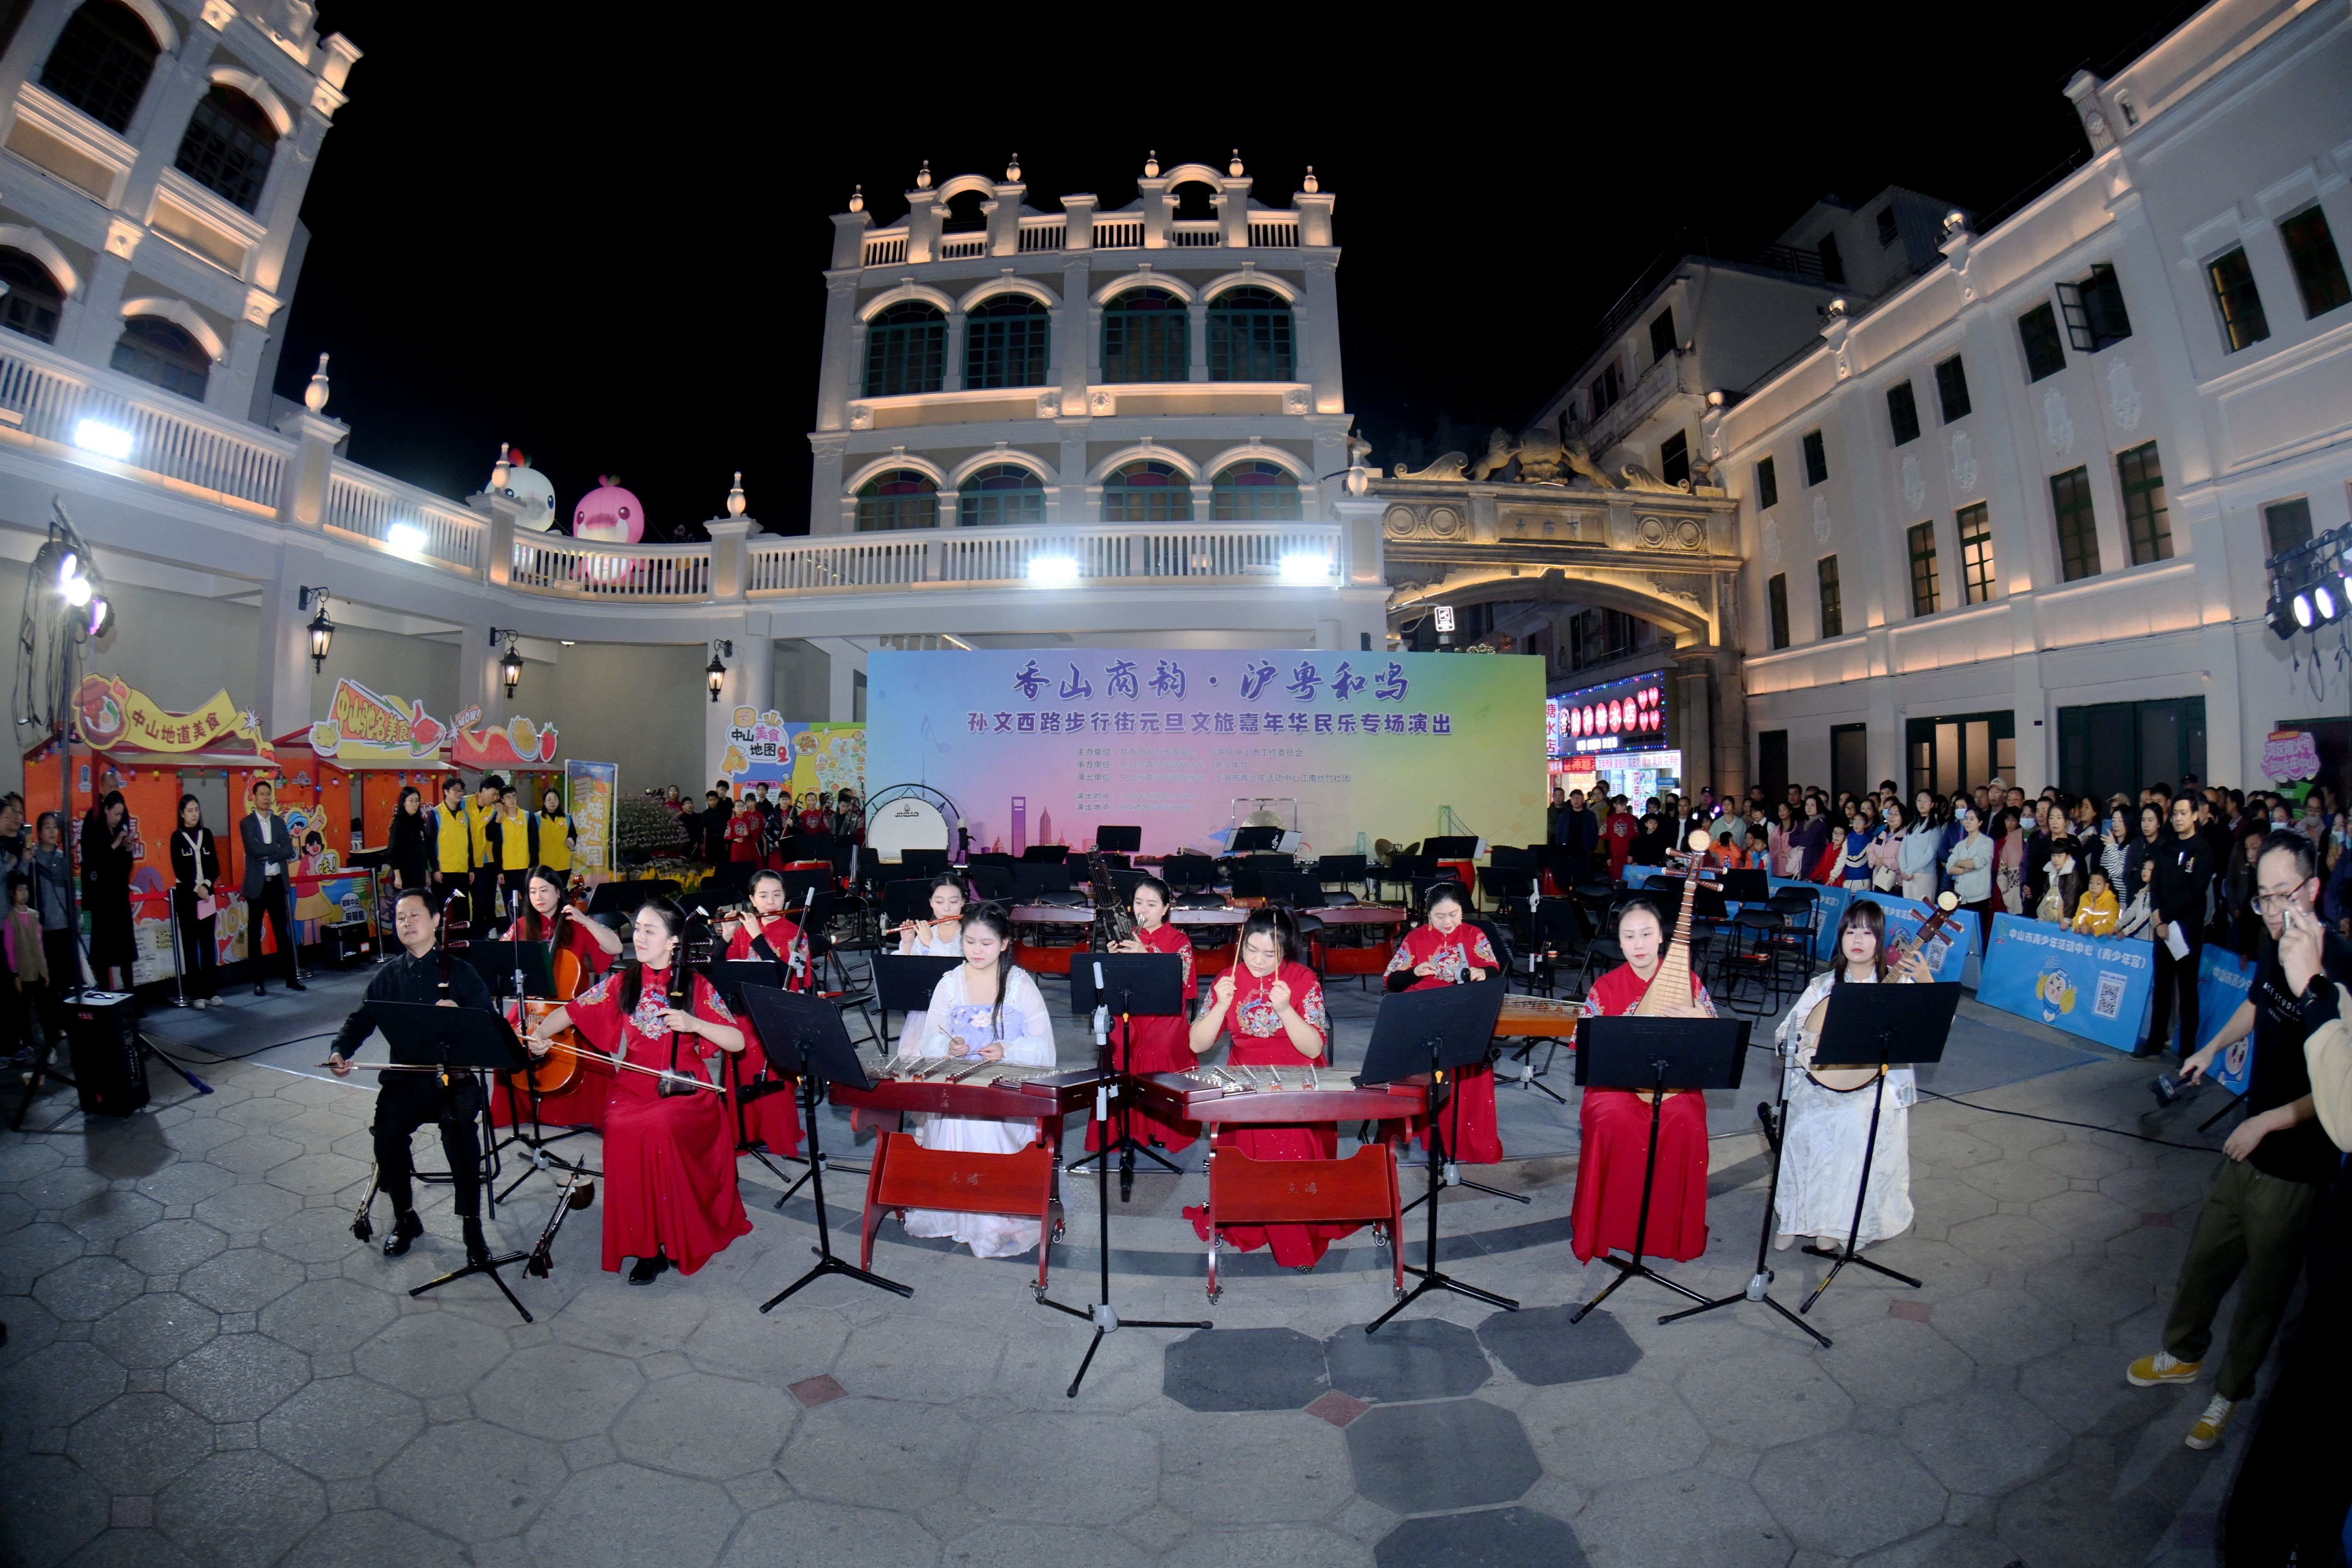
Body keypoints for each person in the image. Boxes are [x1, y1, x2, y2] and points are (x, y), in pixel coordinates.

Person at [2127, 832, 2345, 1451]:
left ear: (2314, 888)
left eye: (2285, 895)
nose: (2274, 911)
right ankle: (2183, 1354)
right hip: (2247, 1147)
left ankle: (2230, 1391)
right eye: (2264, 897)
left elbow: (2343, 1092)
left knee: (2263, 1295)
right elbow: (2258, 1003)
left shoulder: (2339, 966)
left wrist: (2267, 1122)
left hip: (2296, 1166)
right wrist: (2210, 1048)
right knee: (2206, 1262)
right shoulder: (2280, 943)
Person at [526, 900, 751, 1283]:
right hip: (632, 1086)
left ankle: (677, 1234)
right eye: (638, 929)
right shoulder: (625, 980)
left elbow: (736, 1041)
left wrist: (695, 1024)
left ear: (674, 941)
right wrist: (540, 1035)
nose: (640, 938)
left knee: (660, 1127)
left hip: (685, 1086)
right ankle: (648, 1248)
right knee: (621, 1128)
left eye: (650, 931)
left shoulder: (695, 984)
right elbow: (575, 1010)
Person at [327, 889, 499, 1265]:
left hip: (455, 1077)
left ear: (436, 921)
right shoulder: (388, 976)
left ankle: (472, 1227)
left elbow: (490, 1023)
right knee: (386, 1134)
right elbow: (361, 1019)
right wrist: (341, 1051)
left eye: (415, 915)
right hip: (405, 1080)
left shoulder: (461, 971)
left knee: (460, 1133)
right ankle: (406, 1218)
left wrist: (460, 1015)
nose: (406, 922)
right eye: (400, 917)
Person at [1182, 909, 1339, 1270]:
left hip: (1296, 1077)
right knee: (1250, 1152)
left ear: (1286, 951)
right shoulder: (1228, 978)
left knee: (1290, 1150)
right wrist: (1221, 1005)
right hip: (1246, 1076)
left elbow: (1314, 1048)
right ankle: (1251, 1219)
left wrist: (1285, 1010)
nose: (1258, 960)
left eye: (1270, 954)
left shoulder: (1303, 979)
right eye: (1251, 950)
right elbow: (1197, 1044)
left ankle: (1297, 1238)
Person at [899, 905, 1059, 1259]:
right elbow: (930, 1039)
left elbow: (1043, 1047)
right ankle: (956, 1210)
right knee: (959, 1124)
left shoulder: (1019, 984)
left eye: (986, 943)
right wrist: (949, 1046)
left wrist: (1006, 1049)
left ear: (1004, 944)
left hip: (1006, 1085)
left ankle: (994, 1214)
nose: (977, 950)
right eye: (969, 942)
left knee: (989, 1131)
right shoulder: (950, 983)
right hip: (959, 1085)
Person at [1772, 901, 1931, 1252]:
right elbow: (1786, 1032)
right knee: (1806, 1120)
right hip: (1823, 1079)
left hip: (1876, 1085)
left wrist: (1923, 979)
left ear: (1880, 939)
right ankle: (1797, 1217)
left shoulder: (1898, 983)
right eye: (1850, 931)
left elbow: (1934, 1025)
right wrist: (1806, 1043)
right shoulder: (1823, 986)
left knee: (1852, 1121)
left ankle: (1837, 1223)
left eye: (1867, 932)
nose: (1857, 940)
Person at [1573, 897, 1713, 1265]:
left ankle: (1668, 1234)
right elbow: (1585, 1048)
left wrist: (1703, 1022)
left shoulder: (1689, 982)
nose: (1639, 944)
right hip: (1615, 1085)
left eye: (1647, 934)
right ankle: (1608, 1229)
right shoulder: (1605, 986)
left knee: (1686, 1122)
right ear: (1619, 943)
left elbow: (1715, 1047)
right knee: (1613, 1119)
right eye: (1629, 936)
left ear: (1662, 937)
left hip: (1675, 1085)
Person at [1384, 884, 1503, 1163]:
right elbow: (1393, 982)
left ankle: (1467, 1141)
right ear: (1428, 915)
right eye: (1440, 916)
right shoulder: (1416, 938)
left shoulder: (1474, 934)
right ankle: (1434, 1137)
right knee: (1434, 1076)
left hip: (1464, 1013)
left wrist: (1481, 972)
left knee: (1468, 1072)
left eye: (1454, 914)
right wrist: (1415, 972)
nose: (1448, 922)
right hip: (1427, 1014)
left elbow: (1494, 970)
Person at [712, 868, 811, 1159]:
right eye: (763, 896)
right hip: (745, 1013)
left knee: (769, 1067)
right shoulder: (741, 932)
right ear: (752, 900)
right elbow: (719, 972)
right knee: (738, 1057)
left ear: (785, 897)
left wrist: (757, 938)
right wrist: (726, 938)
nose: (771, 901)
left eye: (777, 895)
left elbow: (786, 977)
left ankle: (778, 1135)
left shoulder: (796, 934)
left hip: (778, 1014)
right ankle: (746, 1133)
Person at [1097, 874, 1199, 1153]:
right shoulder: (1125, 936)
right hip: (1129, 1011)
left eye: (1152, 904)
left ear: (1166, 909)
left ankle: (1160, 1128)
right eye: (1139, 902)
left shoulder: (1180, 941)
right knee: (1117, 1046)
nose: (1143, 910)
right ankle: (1126, 1129)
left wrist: (1147, 956)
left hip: (1166, 1016)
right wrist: (1111, 961)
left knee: (1156, 1049)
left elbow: (1181, 988)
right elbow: (1111, 987)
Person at [2139, 793, 2215, 1060]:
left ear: (2195, 816)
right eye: (2175, 814)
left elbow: (2195, 892)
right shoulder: (2167, 847)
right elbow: (2156, 885)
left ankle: (2187, 1051)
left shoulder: (2203, 850)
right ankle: (2155, 1043)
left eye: (2184, 813)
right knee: (2161, 988)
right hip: (2163, 928)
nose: (2178, 818)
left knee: (2187, 991)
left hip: (2187, 930)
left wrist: (2167, 917)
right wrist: (2158, 917)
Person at [239, 781, 304, 995]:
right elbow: (254, 849)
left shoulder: (278, 822)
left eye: (269, 794)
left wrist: (272, 853)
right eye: (262, 794)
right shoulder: (247, 823)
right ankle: (258, 982)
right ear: (254, 797)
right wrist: (275, 848)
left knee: (282, 933)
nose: (266, 798)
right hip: (257, 886)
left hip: (277, 883)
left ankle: (291, 978)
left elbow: (288, 850)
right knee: (255, 934)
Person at [78, 790, 135, 991]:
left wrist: (128, 849)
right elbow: (96, 862)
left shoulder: (120, 830)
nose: (118, 818)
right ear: (106, 810)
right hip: (102, 900)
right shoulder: (95, 829)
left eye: (121, 814)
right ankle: (104, 994)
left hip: (120, 898)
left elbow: (126, 868)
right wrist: (116, 843)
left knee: (125, 952)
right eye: (116, 814)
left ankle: (130, 995)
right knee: (103, 953)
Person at [169, 795, 221, 1007]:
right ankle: (197, 994)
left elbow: (214, 865)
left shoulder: (206, 834)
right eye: (190, 811)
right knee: (191, 946)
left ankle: (211, 992)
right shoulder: (176, 837)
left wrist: (206, 886)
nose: (194, 814)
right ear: (182, 814)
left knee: (208, 943)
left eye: (197, 810)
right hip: (187, 898)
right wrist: (196, 887)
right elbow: (179, 869)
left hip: (207, 896)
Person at [3, 872, 44, 1063]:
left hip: (37, 970)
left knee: (38, 1007)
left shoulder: (34, 915)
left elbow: (40, 945)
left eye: (26, 889)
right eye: (20, 890)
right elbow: (10, 949)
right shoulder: (10, 919)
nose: (24, 893)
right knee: (24, 1009)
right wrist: (15, 974)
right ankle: (27, 1042)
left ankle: (38, 1040)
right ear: (13, 893)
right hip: (22, 972)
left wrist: (45, 970)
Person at [1945, 805, 1995, 944]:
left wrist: (1959, 863)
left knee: (1977, 938)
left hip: (1979, 897)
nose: (1968, 822)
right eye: (1966, 818)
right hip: (1961, 897)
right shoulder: (1960, 845)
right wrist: (1964, 869)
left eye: (1972, 819)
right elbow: (1949, 868)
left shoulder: (1987, 842)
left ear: (1980, 822)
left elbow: (1977, 863)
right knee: (1962, 936)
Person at [467, 775, 505, 933]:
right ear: (484, 790)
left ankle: (485, 933)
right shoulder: (464, 804)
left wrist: (500, 817)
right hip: (465, 860)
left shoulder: (495, 810)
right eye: (494, 794)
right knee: (469, 901)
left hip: (485, 862)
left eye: (498, 796)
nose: (496, 798)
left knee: (484, 901)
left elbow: (493, 836)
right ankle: (470, 935)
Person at [492, 786, 533, 921]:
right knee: (510, 904)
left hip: (525, 869)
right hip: (507, 870)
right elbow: (496, 847)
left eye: (514, 796)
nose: (512, 800)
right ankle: (513, 929)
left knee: (529, 903)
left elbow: (534, 843)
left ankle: (530, 929)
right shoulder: (499, 819)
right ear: (502, 800)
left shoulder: (527, 816)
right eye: (508, 797)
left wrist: (533, 866)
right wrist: (499, 871)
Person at [432, 777, 472, 905]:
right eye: (455, 790)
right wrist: (435, 869)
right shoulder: (436, 814)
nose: (459, 793)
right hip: (443, 872)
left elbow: (469, 844)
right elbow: (430, 845)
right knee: (443, 908)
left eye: (461, 790)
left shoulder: (464, 815)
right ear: (446, 792)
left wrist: (471, 869)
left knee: (462, 909)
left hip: (462, 871)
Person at [386, 786, 431, 893]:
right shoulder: (399, 824)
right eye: (411, 801)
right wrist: (398, 876)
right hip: (404, 876)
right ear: (404, 803)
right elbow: (393, 852)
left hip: (419, 875)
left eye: (417, 801)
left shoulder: (420, 824)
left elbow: (423, 851)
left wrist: (426, 873)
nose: (415, 804)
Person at [1899, 797, 1942, 901]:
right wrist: (1904, 870)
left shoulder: (1935, 827)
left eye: (1926, 801)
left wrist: (1910, 870)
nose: (1922, 803)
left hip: (1925, 875)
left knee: (1923, 908)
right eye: (1919, 800)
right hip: (1907, 876)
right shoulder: (1912, 826)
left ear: (1932, 804)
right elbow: (1903, 850)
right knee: (1908, 908)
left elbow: (1930, 854)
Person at [2037, 836, 2084, 925]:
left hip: (2066, 917)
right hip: (2053, 913)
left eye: (2060, 856)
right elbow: (2046, 894)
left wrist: (2067, 919)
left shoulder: (2071, 873)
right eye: (2053, 855)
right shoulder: (2050, 870)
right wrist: (2043, 915)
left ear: (2068, 857)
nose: (2056, 860)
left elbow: (2071, 898)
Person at [534, 785, 576, 878]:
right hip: (544, 865)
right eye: (549, 799)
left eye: (555, 799)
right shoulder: (537, 818)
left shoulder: (567, 817)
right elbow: (533, 842)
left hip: (564, 864)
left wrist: (572, 840)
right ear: (544, 802)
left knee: (562, 887)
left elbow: (573, 834)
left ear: (558, 801)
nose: (552, 802)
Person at [2072, 867, 2120, 935]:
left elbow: (2111, 925)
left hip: (2103, 940)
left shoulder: (2112, 903)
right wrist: (2078, 925)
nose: (2093, 887)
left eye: (2098, 884)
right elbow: (2079, 916)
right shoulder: (2084, 898)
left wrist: (2093, 929)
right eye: (2091, 883)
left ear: (2106, 887)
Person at [1602, 795, 1637, 881]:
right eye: (1622, 805)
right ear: (1615, 805)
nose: (1624, 807)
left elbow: (1634, 838)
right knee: (1614, 877)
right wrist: (1608, 857)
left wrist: (1631, 855)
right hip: (1613, 853)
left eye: (1625, 805)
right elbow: (1606, 839)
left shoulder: (1631, 819)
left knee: (1627, 877)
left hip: (1626, 852)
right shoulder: (1609, 819)